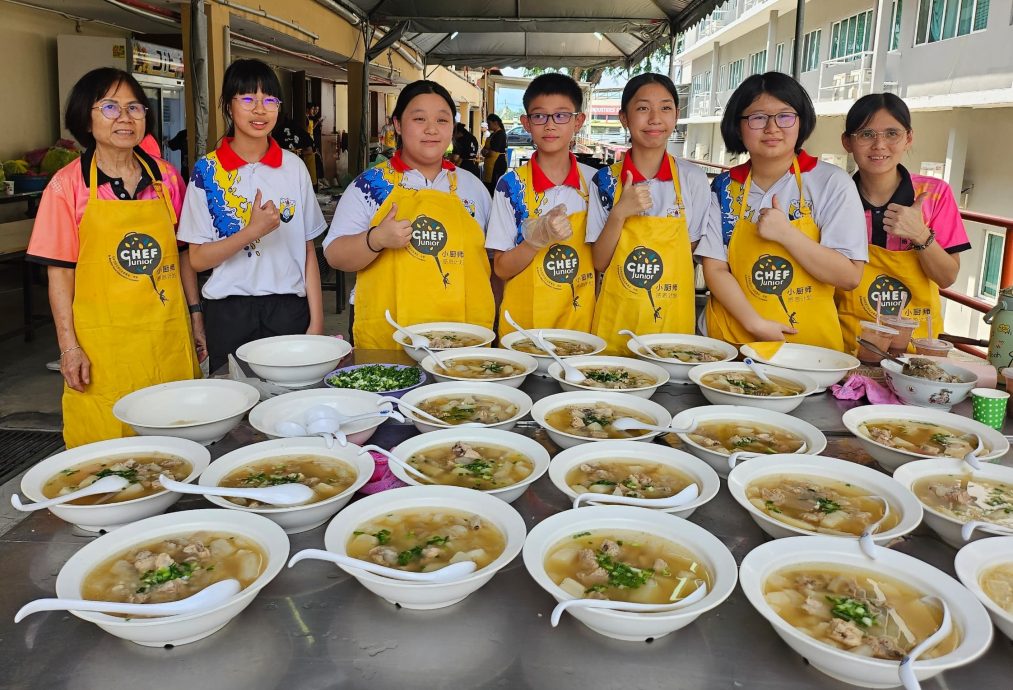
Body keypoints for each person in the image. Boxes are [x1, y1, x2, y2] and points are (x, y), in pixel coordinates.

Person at [25, 68, 202, 448]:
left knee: (176, 441)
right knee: (108, 453)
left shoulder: (167, 179)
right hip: (102, 349)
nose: (124, 117)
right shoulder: (67, 185)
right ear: (85, 119)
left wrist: (196, 318)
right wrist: (68, 348)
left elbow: (183, 256)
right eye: (110, 106)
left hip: (166, 339)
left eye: (134, 107)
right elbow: (60, 275)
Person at [697, 72, 867, 349]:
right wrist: (755, 324)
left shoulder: (831, 183)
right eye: (758, 117)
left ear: (801, 122)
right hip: (728, 345)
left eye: (785, 116)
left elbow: (848, 275)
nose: (772, 128)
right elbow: (715, 268)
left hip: (807, 351)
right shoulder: (724, 187)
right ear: (739, 127)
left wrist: (787, 234)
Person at [177, 58, 326, 373]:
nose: (260, 110)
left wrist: (317, 321)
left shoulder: (293, 167)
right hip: (230, 313)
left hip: (289, 309)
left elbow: (308, 249)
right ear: (229, 106)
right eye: (248, 99)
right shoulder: (207, 172)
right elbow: (198, 259)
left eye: (269, 100)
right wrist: (251, 231)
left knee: (291, 405)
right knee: (236, 407)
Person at [322, 80, 494, 348]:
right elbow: (334, 255)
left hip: (462, 332)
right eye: (419, 118)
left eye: (442, 119)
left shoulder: (473, 187)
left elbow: (491, 261)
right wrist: (375, 240)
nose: (431, 129)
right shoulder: (371, 185)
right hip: (390, 330)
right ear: (398, 124)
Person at [586, 73, 712, 353]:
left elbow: (689, 248)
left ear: (676, 115)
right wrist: (620, 213)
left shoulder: (693, 179)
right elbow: (600, 261)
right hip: (619, 318)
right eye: (643, 108)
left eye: (665, 108)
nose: (655, 118)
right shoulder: (605, 180)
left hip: (671, 318)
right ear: (624, 118)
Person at [836, 93, 970, 350]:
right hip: (849, 344)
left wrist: (920, 235)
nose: (879, 145)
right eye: (866, 134)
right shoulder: (834, 197)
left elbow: (947, 277)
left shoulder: (935, 194)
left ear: (908, 138)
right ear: (847, 142)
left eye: (891, 133)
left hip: (917, 348)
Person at [486, 73, 597, 335]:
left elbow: (602, 261)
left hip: (581, 328)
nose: (550, 125)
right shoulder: (510, 186)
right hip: (523, 330)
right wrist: (535, 240)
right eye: (539, 116)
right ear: (526, 123)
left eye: (561, 115)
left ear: (578, 121)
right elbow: (500, 268)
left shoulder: (595, 184)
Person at [481, 114, 508, 193]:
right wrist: (485, 151)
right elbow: (484, 150)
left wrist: (486, 152)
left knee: (494, 188)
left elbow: (492, 152)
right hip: (489, 165)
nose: (488, 125)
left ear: (495, 123)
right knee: (488, 186)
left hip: (497, 164)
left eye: (489, 123)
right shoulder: (492, 134)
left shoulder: (501, 134)